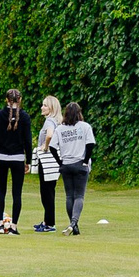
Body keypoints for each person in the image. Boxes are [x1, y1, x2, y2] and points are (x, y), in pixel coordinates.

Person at [50, 100, 97, 234]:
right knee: (79, 196)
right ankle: (73, 222)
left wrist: (60, 162)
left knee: (69, 196)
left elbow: (52, 147)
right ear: (79, 113)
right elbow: (90, 144)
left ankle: (74, 227)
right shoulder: (85, 126)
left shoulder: (60, 129)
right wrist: (85, 161)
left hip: (66, 165)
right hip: (80, 163)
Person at [0, 89, 32, 233]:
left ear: (6, 100)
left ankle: (0, 224)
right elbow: (28, 141)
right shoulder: (24, 117)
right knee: (17, 193)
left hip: (1, 156)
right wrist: (29, 161)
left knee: (1, 191)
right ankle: (13, 226)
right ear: (20, 99)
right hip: (18, 157)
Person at [33, 96, 63, 231]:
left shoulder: (49, 121)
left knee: (46, 192)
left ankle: (50, 224)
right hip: (54, 162)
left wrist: (45, 147)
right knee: (49, 191)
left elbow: (49, 135)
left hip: (46, 162)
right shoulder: (58, 122)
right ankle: (47, 220)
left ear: (51, 108)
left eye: (45, 105)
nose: (42, 107)